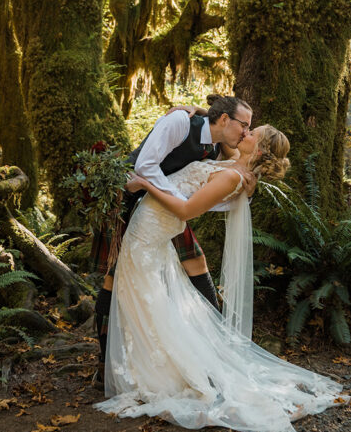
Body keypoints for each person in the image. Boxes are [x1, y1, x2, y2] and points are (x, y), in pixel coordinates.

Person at [94, 126, 344, 432]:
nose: (247, 131)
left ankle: (159, 375)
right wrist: (191, 112)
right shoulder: (235, 166)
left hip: (152, 228)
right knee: (144, 296)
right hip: (149, 226)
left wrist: (145, 184)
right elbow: (217, 130)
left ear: (260, 150)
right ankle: (150, 367)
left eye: (254, 132)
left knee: (141, 295)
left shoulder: (233, 178)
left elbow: (186, 209)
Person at [91, 95, 254, 385]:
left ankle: (216, 349)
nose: (245, 132)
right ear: (225, 119)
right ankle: (104, 365)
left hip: (163, 208)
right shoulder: (179, 122)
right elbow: (145, 165)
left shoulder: (216, 145)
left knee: (197, 261)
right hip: (128, 201)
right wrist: (179, 202)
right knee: (114, 280)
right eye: (244, 125)